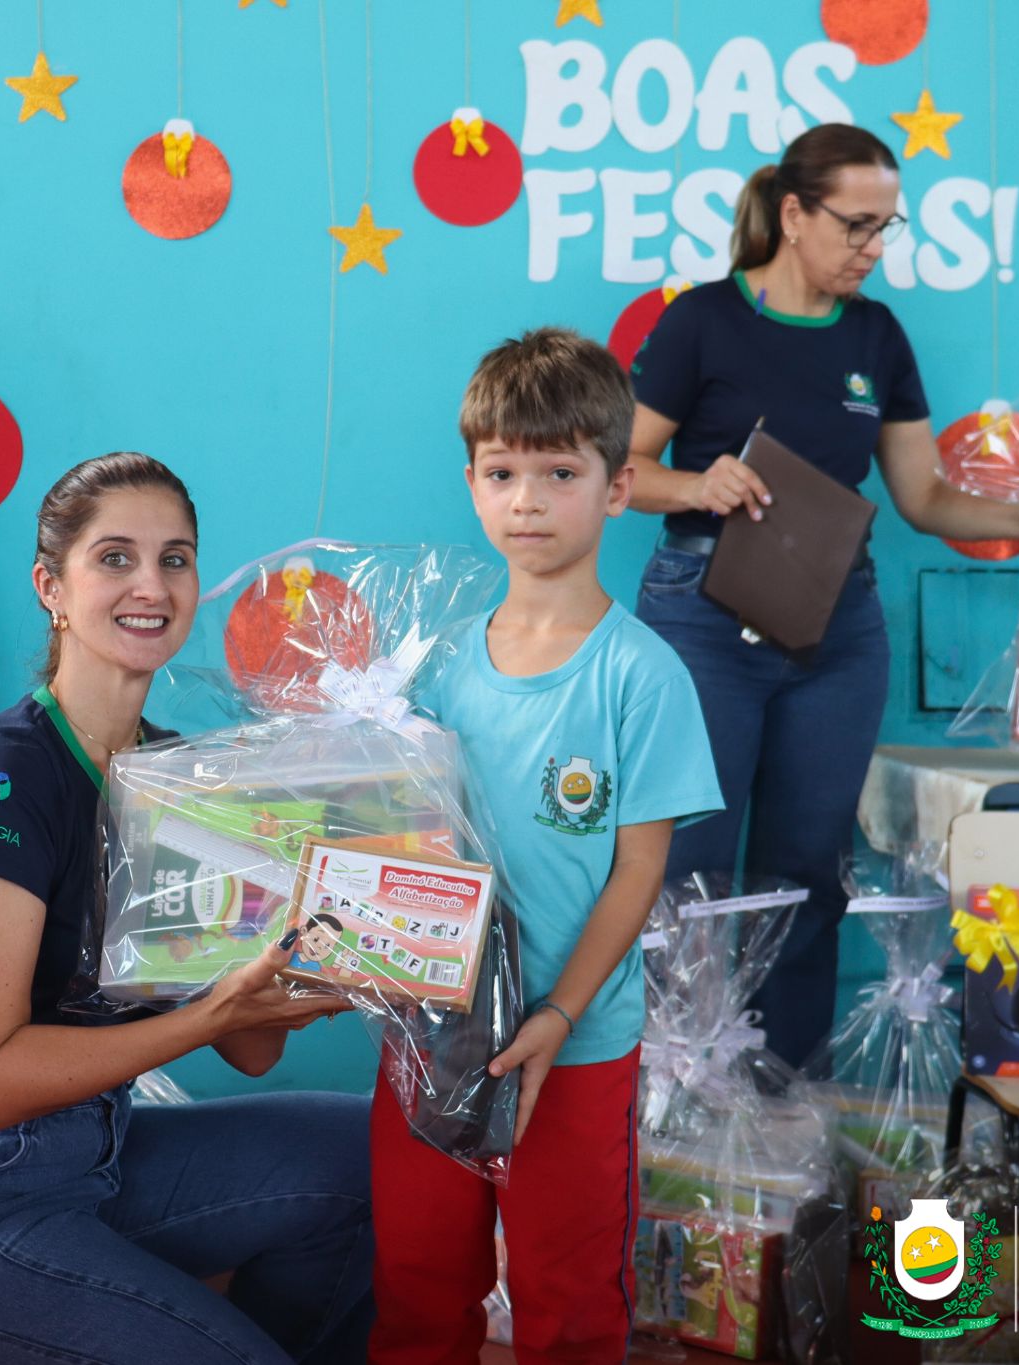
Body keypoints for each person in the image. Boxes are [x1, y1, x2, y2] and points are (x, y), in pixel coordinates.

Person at [0, 454, 375, 1364]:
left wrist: (322, 946)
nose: (151, 586)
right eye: (114, 558)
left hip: (94, 1153)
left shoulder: (187, 776)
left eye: (176, 559)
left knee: (363, 1156)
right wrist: (210, 1012)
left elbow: (249, 1047)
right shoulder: (7, 775)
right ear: (52, 586)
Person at [621, 125, 1019, 1067]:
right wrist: (697, 484)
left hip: (835, 631)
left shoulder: (877, 336)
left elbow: (923, 499)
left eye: (887, 228)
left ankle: (786, 1108)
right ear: (793, 215)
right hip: (703, 621)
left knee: (810, 876)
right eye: (856, 226)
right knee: (684, 873)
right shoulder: (700, 321)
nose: (873, 249)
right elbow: (615, 471)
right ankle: (668, 1101)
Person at [368, 329, 725, 1363]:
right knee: (417, 1282)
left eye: (559, 473)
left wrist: (558, 1015)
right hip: (434, 1038)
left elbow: (639, 869)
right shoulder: (429, 669)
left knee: (566, 1296)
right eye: (502, 473)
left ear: (616, 489)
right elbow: (404, 847)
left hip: (576, 1044)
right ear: (472, 483)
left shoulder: (641, 675)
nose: (526, 500)